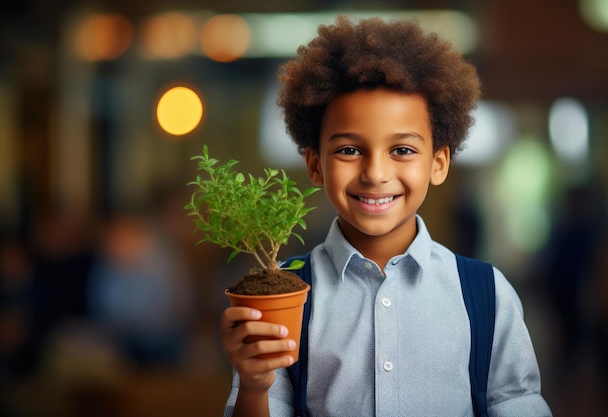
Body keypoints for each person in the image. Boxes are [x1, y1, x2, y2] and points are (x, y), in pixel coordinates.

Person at [220, 15, 552, 417]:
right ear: (315, 164)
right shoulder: (284, 298)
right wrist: (255, 385)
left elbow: (518, 403)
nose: (376, 173)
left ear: (439, 162)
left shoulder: (486, 294)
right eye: (349, 150)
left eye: (403, 150)